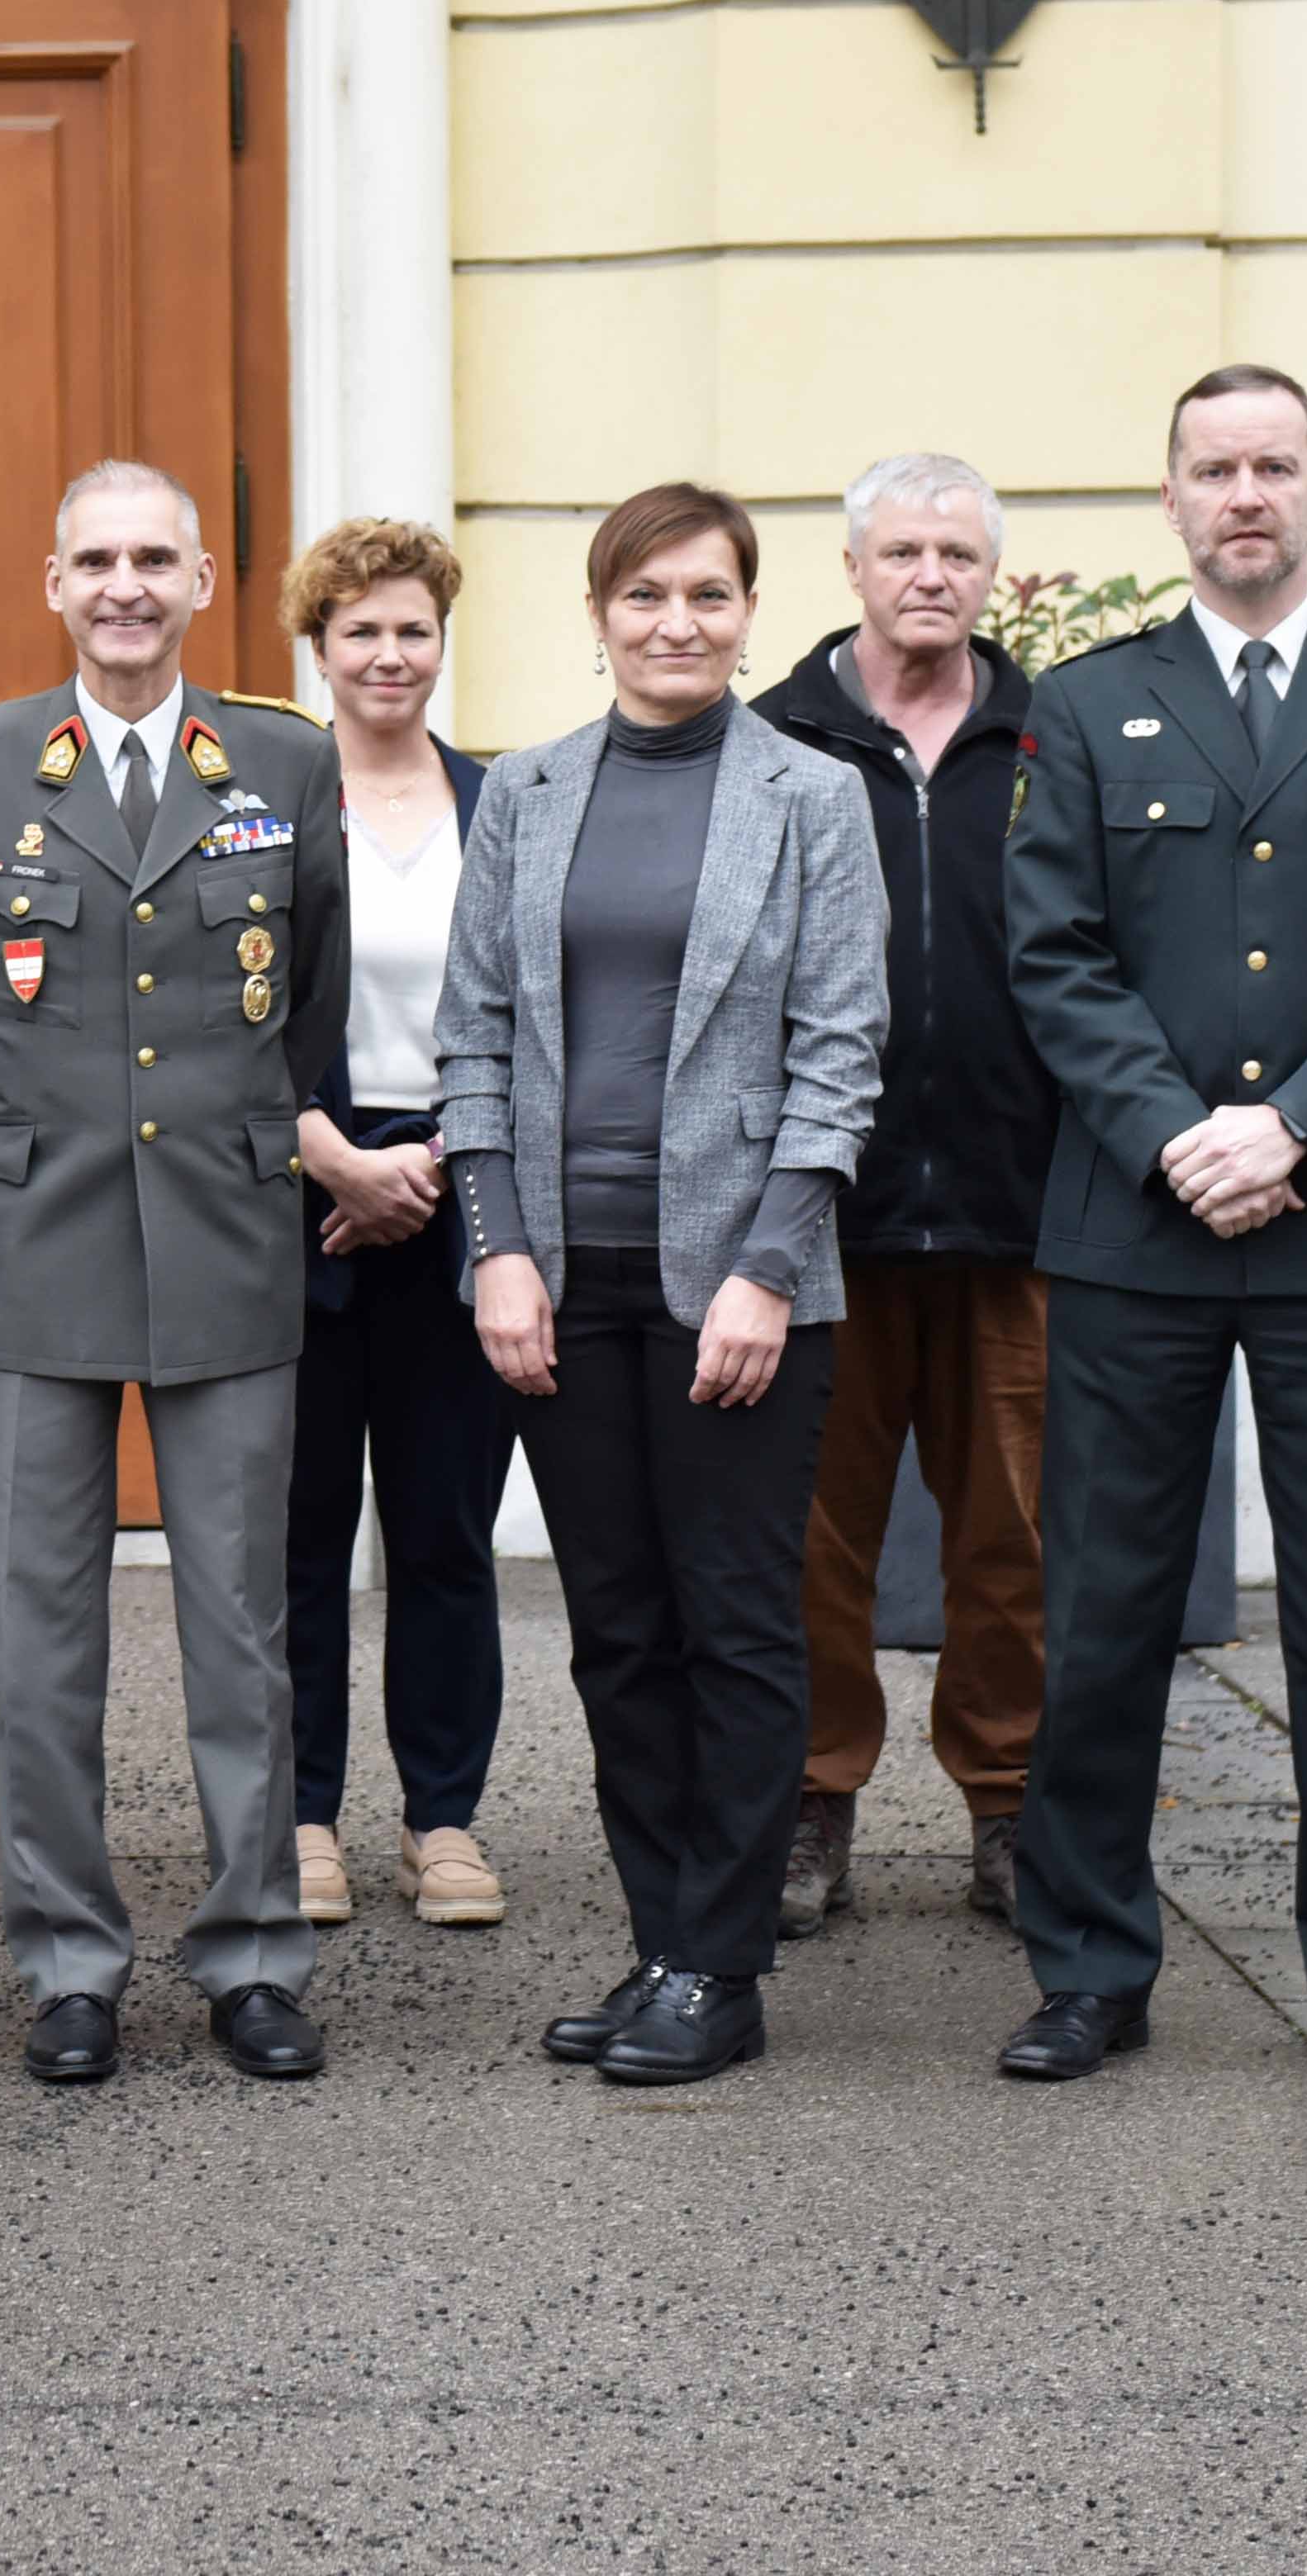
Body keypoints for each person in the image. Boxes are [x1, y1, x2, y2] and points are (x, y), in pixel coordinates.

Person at [996, 367, 1307, 2113]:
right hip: (1134, 1225)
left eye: (1272, 465)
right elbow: (1052, 953)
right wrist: (1176, 1135)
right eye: (1212, 468)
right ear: (1169, 499)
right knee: (1101, 1614)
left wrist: (1291, 1128)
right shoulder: (1088, 704)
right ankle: (1087, 1967)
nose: (1243, 495)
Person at [0, 461, 348, 2088]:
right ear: (52, 583)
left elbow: (305, 1002)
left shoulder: (284, 761)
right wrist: (29, 1140)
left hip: (225, 1235)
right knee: (40, 1630)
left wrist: (233, 1136)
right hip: (39, 1239)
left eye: (155, 558)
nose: (125, 587)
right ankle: (67, 1959)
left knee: (239, 1621)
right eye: (95, 560)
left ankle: (253, 1952)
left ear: (202, 580)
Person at [444, 486, 886, 2089]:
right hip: (563, 1281)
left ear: (748, 613)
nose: (675, 621)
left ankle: (721, 1962)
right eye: (643, 594)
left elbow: (841, 1052)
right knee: (617, 1630)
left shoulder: (811, 796)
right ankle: (659, 1943)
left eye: (706, 593)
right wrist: (494, 1242)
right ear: (598, 615)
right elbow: (474, 1036)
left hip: (740, 1288)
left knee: (735, 1625)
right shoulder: (526, 789)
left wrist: (767, 1266)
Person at [746, 455, 1055, 1936]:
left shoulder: (1057, 741)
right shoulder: (771, 741)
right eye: (903, 552)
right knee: (814, 1545)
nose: (930, 576)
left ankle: (1014, 1807)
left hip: (1021, 1207)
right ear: (854, 568)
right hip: (822, 1222)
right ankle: (813, 1801)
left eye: (957, 554)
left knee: (1018, 1541)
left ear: (990, 574)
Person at [270, 519, 508, 1935]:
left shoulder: (504, 801)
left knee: (443, 1535)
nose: (389, 654)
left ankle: (443, 1819)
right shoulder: (266, 802)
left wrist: (422, 1166)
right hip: (296, 1204)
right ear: (319, 647)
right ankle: (303, 1815)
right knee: (298, 1538)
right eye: (360, 629)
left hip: (461, 1198)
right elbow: (220, 1005)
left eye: (413, 628)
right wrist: (333, 1160)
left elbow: (534, 1009)